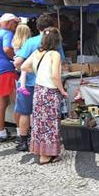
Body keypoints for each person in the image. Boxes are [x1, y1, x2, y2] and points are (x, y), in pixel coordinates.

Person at [14, 15, 65, 152]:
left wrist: (26, 72)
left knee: (25, 113)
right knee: (44, 116)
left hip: (28, 85)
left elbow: (18, 62)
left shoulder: (30, 42)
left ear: (37, 27)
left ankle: (24, 141)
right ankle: (47, 144)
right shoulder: (56, 43)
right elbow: (61, 64)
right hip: (46, 85)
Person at [21, 28, 69, 165]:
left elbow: (23, 66)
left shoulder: (37, 52)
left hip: (38, 91)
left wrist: (37, 71)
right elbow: (55, 76)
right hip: (50, 92)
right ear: (57, 41)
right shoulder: (55, 54)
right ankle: (47, 155)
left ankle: (41, 151)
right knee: (51, 123)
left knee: (39, 122)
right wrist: (62, 90)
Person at [0, 13, 20, 142]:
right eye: (14, 23)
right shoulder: (7, 34)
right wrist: (16, 58)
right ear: (8, 23)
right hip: (7, 71)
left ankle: (1, 133)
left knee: (0, 103)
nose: (15, 26)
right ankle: (21, 132)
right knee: (18, 102)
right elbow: (7, 49)